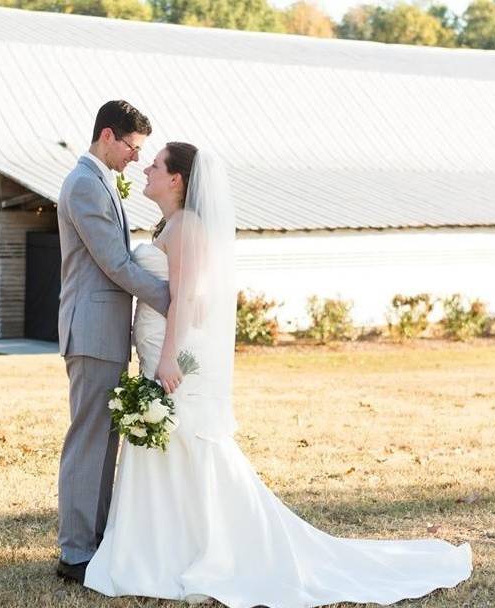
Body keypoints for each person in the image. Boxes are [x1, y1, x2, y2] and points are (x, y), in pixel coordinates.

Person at [82, 143, 473, 607]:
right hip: (155, 350)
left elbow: (186, 299)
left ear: (177, 180)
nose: (147, 167)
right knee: (172, 446)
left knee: (189, 446)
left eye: (157, 163)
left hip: (170, 355)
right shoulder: (173, 224)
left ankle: (203, 550)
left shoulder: (186, 228)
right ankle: (160, 547)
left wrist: (169, 358)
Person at [55, 100, 171, 584]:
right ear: (108, 135)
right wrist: (172, 298)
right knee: (88, 440)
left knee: (104, 440)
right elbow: (114, 264)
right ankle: (75, 552)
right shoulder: (84, 184)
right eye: (132, 147)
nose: (136, 158)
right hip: (91, 329)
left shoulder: (99, 181)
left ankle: (94, 542)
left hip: (104, 330)